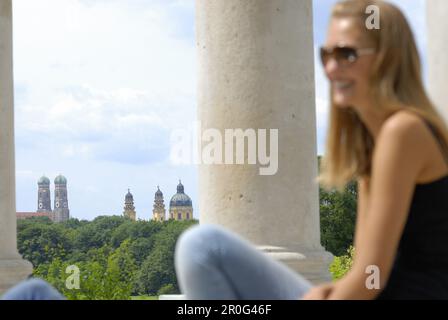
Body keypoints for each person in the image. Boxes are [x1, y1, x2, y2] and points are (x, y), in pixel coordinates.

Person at [174, 0, 448, 300]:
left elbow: (372, 280)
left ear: (387, 58)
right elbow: (365, 272)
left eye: (347, 54)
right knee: (203, 245)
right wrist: (324, 293)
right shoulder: (378, 142)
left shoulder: (403, 132)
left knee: (202, 247)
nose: (331, 68)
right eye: (326, 54)